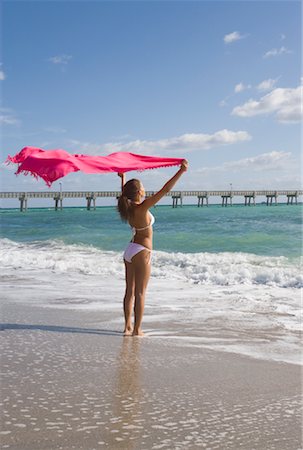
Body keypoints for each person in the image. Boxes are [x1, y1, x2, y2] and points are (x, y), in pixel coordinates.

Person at [117, 159, 188, 337]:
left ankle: (127, 327)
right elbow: (165, 190)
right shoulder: (142, 207)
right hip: (142, 251)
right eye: (143, 187)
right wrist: (181, 172)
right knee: (141, 292)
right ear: (139, 192)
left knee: (129, 291)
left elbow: (125, 193)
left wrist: (123, 178)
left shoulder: (128, 207)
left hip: (130, 250)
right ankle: (137, 330)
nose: (145, 189)